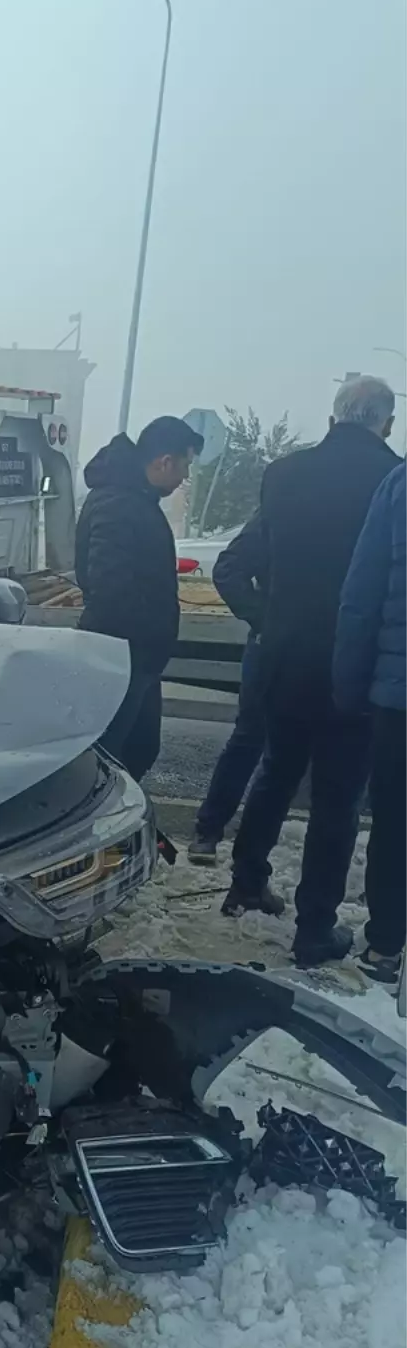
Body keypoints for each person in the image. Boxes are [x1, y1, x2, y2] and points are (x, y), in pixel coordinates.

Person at [223, 376, 399, 966]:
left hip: (283, 653)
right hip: (354, 662)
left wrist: (266, 621)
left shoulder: (284, 474)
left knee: (276, 769)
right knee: (337, 798)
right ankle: (315, 926)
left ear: (332, 417)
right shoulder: (392, 481)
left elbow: (260, 557)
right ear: (387, 422)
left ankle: (246, 879)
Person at [75, 416, 204, 780]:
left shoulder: (136, 499)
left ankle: (123, 821)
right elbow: (109, 588)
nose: (184, 477)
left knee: (140, 748)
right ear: (164, 461)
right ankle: (102, 828)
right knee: (107, 758)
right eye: (185, 466)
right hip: (120, 655)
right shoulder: (118, 503)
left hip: (139, 656)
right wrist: (145, 635)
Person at [333, 459, 407, 984]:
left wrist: (350, 684)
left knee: (397, 821)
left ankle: (385, 947)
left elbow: (361, 597)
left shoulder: (399, 487)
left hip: (400, 696)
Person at [188, 514, 271, 866]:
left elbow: (228, 569)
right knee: (253, 740)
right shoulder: (379, 490)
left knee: (256, 742)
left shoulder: (287, 492)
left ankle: (212, 836)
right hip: (282, 643)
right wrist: (264, 617)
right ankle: (210, 832)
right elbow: (228, 569)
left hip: (280, 643)